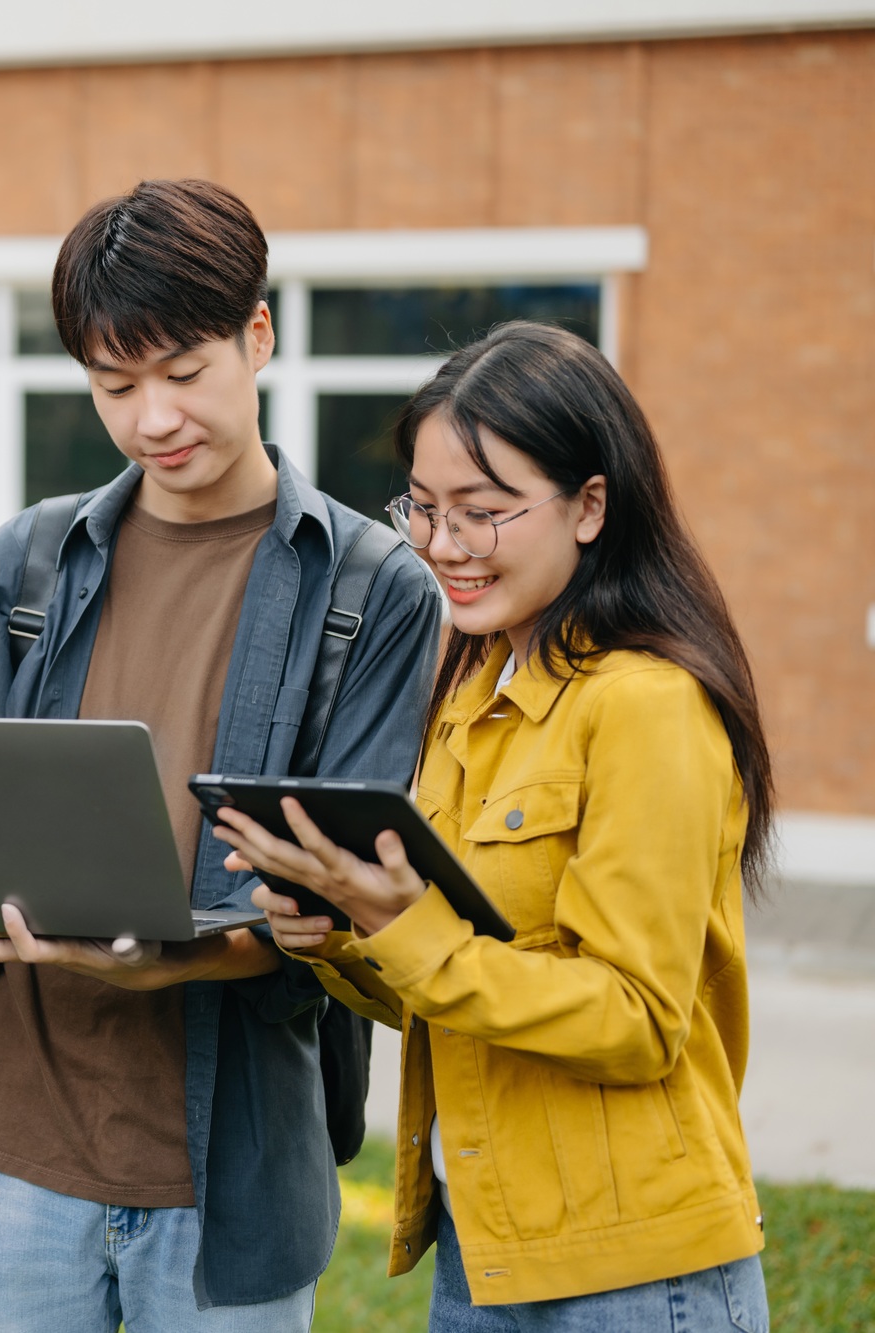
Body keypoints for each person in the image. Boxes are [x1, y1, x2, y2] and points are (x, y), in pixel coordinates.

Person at [0, 178, 443, 1332]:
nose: (153, 417)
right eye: (114, 385)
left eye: (182, 372)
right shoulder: (21, 568)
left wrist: (175, 961)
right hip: (14, 1155)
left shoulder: (372, 589)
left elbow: (348, 903)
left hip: (231, 1181)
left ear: (258, 332)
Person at [216, 321, 774, 1330]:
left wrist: (402, 930)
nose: (441, 546)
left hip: (636, 1271)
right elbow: (463, 993)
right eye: (422, 509)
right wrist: (338, 927)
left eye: (482, 512)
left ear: (590, 505)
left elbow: (633, 1018)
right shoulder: (473, 695)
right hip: (485, 1247)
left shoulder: (644, 706)